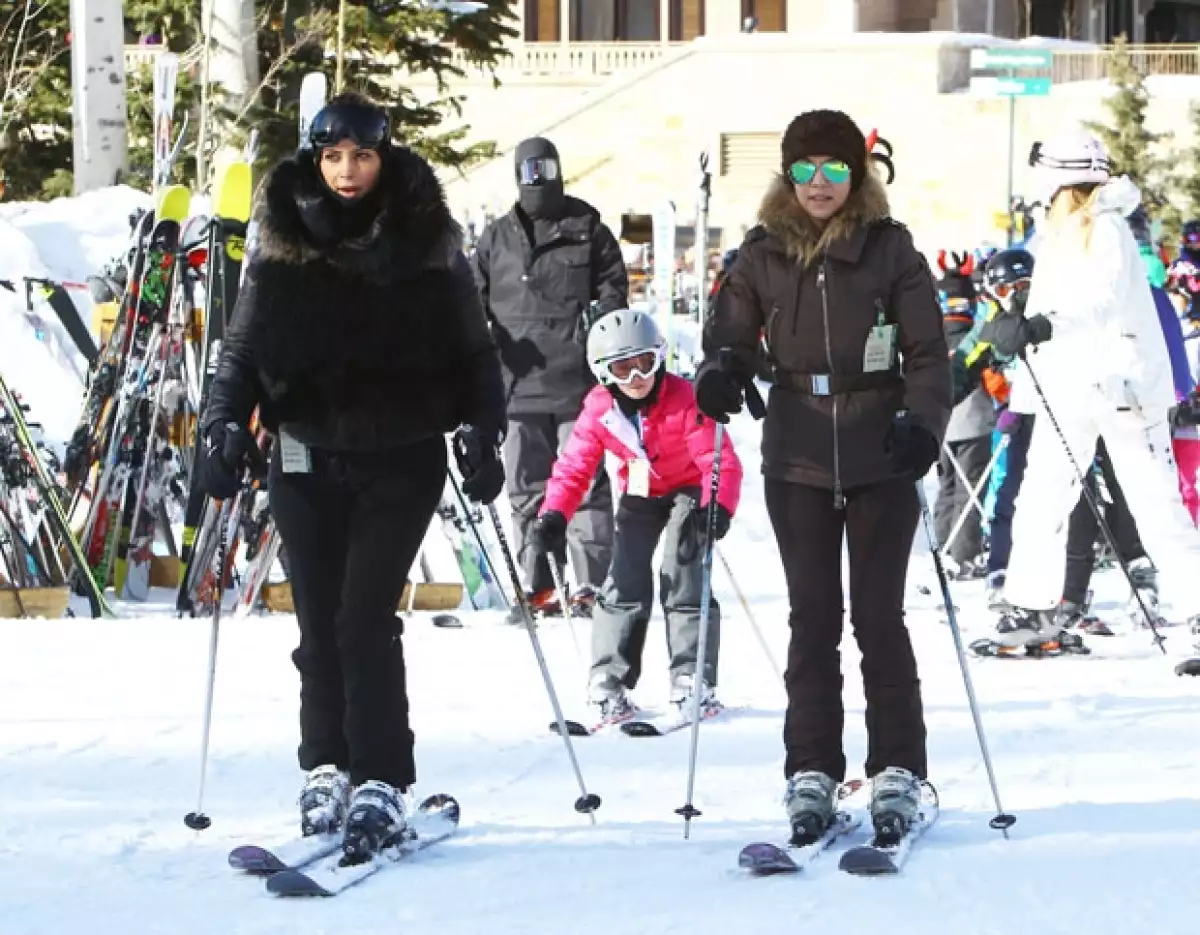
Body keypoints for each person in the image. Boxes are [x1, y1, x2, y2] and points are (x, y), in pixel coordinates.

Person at [196, 92, 505, 863]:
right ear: (314, 158)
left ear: (383, 155)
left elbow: (473, 348)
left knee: (363, 617)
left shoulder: (425, 234)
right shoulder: (282, 236)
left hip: (401, 454)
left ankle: (382, 775)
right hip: (304, 451)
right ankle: (326, 763)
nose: (347, 170)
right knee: (317, 622)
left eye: (361, 155)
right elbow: (242, 348)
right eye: (332, 156)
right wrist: (222, 424)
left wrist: (483, 426)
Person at [694, 110, 950, 845]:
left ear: (857, 175)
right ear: (787, 175)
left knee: (878, 616)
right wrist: (721, 375)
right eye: (805, 169)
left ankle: (897, 764)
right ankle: (811, 766)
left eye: (834, 170)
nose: (818, 184)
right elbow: (728, 338)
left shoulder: (890, 249)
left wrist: (923, 423)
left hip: (881, 449)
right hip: (799, 451)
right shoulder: (762, 253)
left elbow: (930, 354)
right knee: (813, 620)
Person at [990, 130, 1200, 652]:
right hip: (1068, 387)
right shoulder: (1057, 233)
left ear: (1066, 181)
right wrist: (1022, 329)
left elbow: (1103, 303)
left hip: (1119, 385)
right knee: (1040, 496)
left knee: (1154, 501)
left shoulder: (1106, 230)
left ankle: (1197, 606)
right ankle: (1033, 605)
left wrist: (1042, 326)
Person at [530, 311, 742, 725]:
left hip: (690, 487)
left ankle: (691, 679)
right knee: (623, 577)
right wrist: (553, 515)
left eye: (644, 363)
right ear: (603, 372)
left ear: (659, 357)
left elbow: (718, 458)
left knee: (681, 571)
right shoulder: (599, 408)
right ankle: (608, 681)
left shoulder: (685, 397)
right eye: (622, 369)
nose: (636, 378)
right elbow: (574, 467)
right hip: (643, 490)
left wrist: (718, 504)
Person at [471, 136, 628, 619]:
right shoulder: (496, 238)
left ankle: (590, 585)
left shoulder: (588, 229)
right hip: (515, 388)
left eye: (546, 168)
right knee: (526, 488)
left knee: (584, 485)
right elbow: (472, 305)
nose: (538, 178)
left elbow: (614, 292)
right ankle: (538, 582)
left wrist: (602, 317)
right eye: (530, 170)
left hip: (578, 386)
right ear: (518, 175)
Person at [933, 252, 994, 579]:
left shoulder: (932, 337)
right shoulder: (975, 339)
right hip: (973, 422)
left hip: (940, 424)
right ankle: (964, 554)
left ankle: (942, 547)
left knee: (947, 486)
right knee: (969, 490)